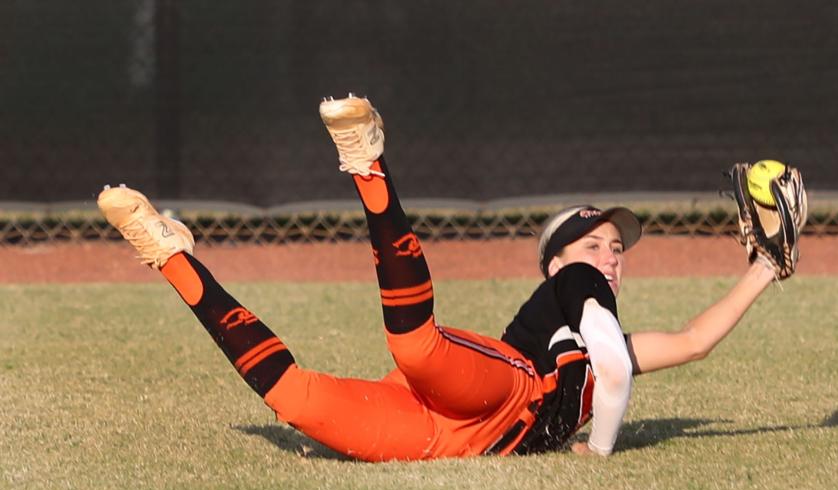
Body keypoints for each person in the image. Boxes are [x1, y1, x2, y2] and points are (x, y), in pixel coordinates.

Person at [97, 95, 797, 461]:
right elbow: (611, 364)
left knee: (297, 402)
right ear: (556, 262)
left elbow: (696, 339)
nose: (608, 255)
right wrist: (600, 452)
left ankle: (171, 256)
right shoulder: (573, 288)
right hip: (499, 386)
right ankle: (368, 164)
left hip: (451, 438)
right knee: (413, 348)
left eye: (616, 247)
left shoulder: (602, 333)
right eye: (592, 243)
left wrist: (765, 267)